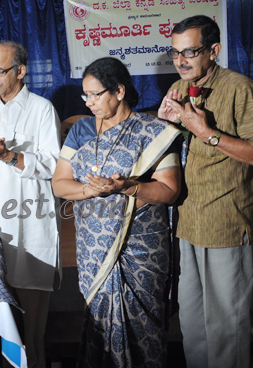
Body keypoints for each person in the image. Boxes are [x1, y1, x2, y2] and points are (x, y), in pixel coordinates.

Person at [51, 57, 181, 366]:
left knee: (143, 326)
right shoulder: (81, 130)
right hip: (94, 245)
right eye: (85, 95)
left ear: (119, 91)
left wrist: (126, 188)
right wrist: (90, 190)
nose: (89, 102)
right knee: (99, 323)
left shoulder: (154, 131)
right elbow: (59, 184)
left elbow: (170, 190)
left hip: (140, 247)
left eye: (95, 95)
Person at [157, 15, 253, 367]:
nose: (180, 61)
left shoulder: (239, 88)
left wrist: (206, 132)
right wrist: (165, 124)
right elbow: (170, 151)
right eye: (175, 53)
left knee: (227, 325)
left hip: (226, 223)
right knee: (192, 324)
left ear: (214, 50)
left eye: (190, 52)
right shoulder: (178, 89)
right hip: (188, 222)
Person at [0, 41, 61, 368]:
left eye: (0, 71)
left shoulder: (42, 109)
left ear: (20, 71)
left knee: (32, 315)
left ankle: (35, 361)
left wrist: (9, 156)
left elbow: (53, 164)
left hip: (31, 217)